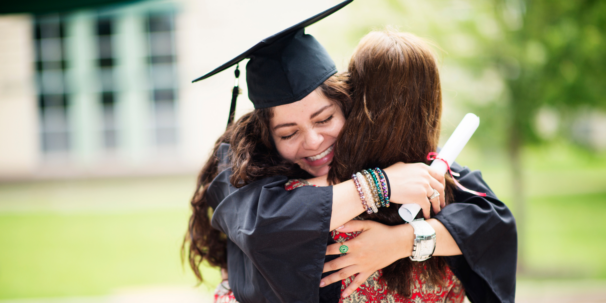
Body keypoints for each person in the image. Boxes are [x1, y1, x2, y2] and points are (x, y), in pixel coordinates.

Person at [185, 2, 517, 302]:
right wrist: (379, 184)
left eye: (325, 118)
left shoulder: (400, 156)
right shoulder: (243, 168)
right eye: (288, 133)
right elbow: (265, 226)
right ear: (267, 136)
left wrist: (400, 241)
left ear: (349, 106)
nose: (313, 141)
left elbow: (490, 220)